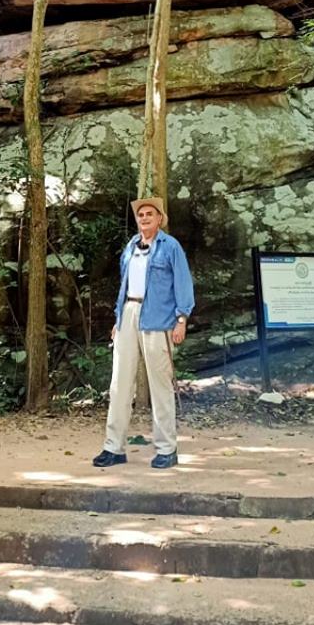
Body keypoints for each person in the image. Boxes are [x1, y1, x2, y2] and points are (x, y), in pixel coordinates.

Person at [93, 196, 195, 470]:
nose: (145, 218)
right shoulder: (130, 247)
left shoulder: (170, 247)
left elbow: (183, 285)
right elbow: (124, 285)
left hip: (159, 320)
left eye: (150, 214)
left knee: (160, 386)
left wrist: (181, 319)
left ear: (160, 219)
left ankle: (166, 449)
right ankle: (113, 447)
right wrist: (118, 319)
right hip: (128, 314)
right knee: (119, 385)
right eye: (141, 215)